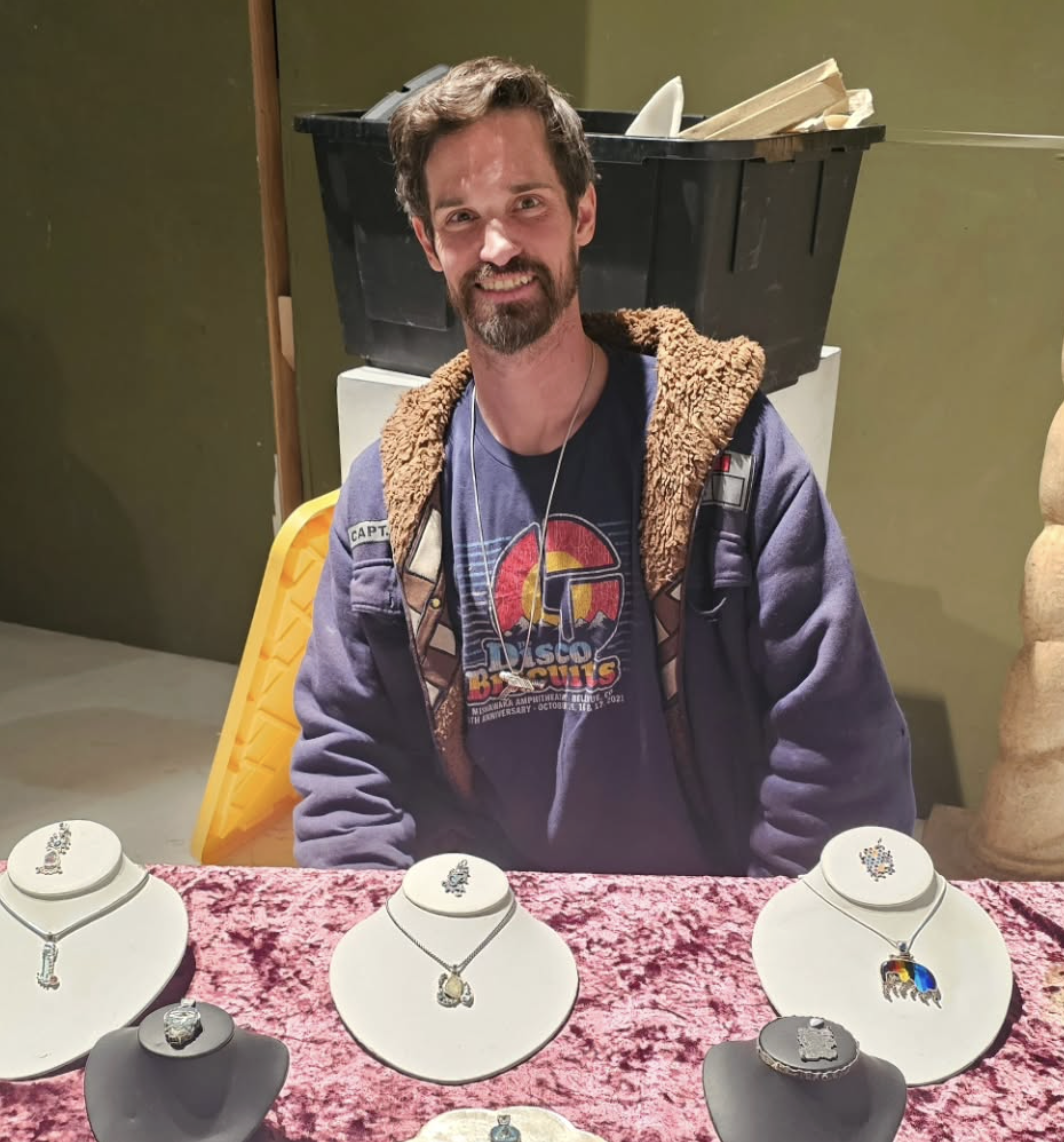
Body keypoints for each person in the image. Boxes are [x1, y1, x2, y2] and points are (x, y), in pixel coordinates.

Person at [292, 57, 914, 875]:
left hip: (702, 936)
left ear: (583, 211)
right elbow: (347, 770)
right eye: (461, 219)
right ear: (427, 243)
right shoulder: (384, 500)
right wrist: (394, 947)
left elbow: (839, 753)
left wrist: (759, 953)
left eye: (527, 203)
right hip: (477, 942)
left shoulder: (739, 459)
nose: (499, 246)